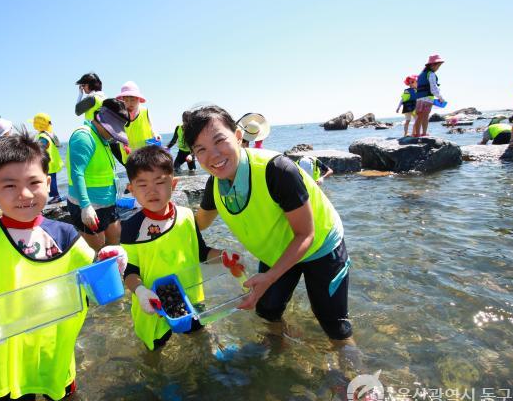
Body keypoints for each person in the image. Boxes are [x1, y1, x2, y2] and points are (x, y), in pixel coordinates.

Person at [0, 134, 126, 401]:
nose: (24, 194)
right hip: (8, 360)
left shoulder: (65, 235)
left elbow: (95, 277)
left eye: (34, 182)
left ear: (48, 183)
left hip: (56, 351)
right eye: (9, 186)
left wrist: (112, 258)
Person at [186, 105, 353, 348]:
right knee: (267, 311)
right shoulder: (215, 185)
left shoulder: (276, 170)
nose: (213, 156)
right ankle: (281, 349)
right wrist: (158, 220)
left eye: (219, 140)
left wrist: (270, 277)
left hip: (320, 246)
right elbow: (197, 224)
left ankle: (352, 375)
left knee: (334, 325)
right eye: (201, 149)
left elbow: (306, 234)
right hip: (277, 252)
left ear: (238, 136)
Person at [120, 146, 229, 350]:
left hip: (191, 298)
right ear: (131, 189)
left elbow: (201, 252)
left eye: (160, 182)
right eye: (142, 185)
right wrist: (141, 292)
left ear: (174, 183)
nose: (152, 191)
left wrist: (224, 256)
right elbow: (129, 272)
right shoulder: (131, 228)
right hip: (152, 304)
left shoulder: (187, 216)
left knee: (200, 337)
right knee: (156, 347)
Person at [66, 98, 130, 251]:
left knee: (115, 241)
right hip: (89, 205)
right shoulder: (84, 137)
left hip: (108, 202)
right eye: (112, 130)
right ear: (101, 119)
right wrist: (85, 206)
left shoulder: (103, 138)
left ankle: (118, 272)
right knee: (100, 251)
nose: (113, 135)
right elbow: (77, 172)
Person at [115, 81, 160, 162]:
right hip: (129, 153)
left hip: (146, 151)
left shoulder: (144, 111)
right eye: (126, 100)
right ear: (122, 101)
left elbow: (151, 125)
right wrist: (123, 144)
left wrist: (156, 134)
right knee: (134, 173)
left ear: (139, 99)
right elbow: (118, 132)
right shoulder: (120, 114)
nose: (129, 103)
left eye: (132, 100)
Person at [31, 113, 64, 204]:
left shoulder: (43, 137)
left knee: (50, 180)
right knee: (50, 179)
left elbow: (40, 148)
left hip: (48, 162)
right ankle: (53, 196)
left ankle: (56, 196)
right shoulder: (48, 134)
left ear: (38, 125)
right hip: (52, 162)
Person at [412, 55, 445, 138]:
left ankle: (417, 134)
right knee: (425, 117)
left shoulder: (421, 74)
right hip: (427, 99)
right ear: (432, 65)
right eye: (438, 66)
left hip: (419, 99)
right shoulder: (431, 74)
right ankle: (424, 133)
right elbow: (434, 88)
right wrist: (440, 98)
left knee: (419, 116)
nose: (438, 68)